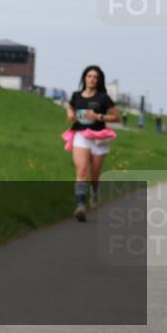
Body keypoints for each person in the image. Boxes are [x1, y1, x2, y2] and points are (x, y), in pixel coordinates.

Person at [63, 65, 120, 222]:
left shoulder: (103, 97)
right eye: (89, 76)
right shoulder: (76, 95)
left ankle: (94, 192)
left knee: (94, 176)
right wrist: (70, 114)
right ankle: (80, 206)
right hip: (80, 135)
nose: (92, 79)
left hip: (99, 138)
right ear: (84, 78)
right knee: (81, 171)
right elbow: (70, 107)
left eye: (95, 77)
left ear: (99, 80)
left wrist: (99, 117)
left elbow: (116, 117)